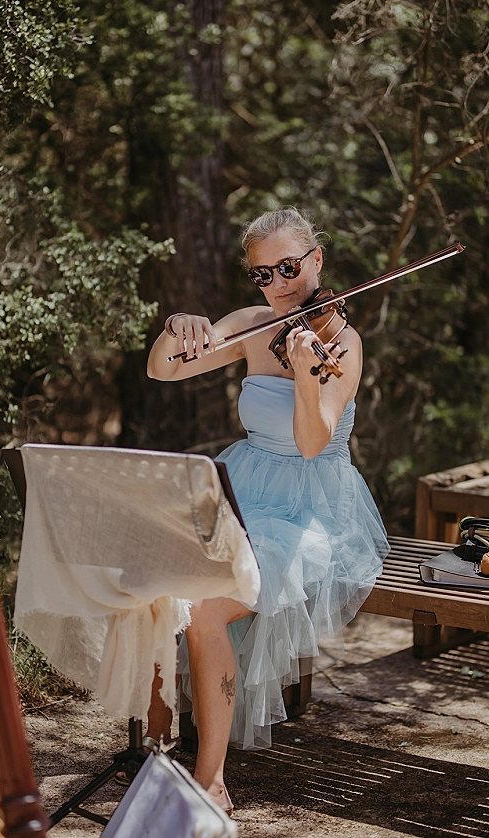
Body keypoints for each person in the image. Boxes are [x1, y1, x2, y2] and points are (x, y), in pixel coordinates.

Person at [145, 206, 389, 814]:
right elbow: (163, 370)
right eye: (263, 274)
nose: (279, 285)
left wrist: (307, 378)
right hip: (245, 487)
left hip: (311, 512)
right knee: (155, 577)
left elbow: (312, 442)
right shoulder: (254, 326)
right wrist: (177, 329)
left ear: (317, 261)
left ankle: (211, 783)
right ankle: (157, 751)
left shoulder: (342, 343)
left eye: (288, 267)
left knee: (204, 609)